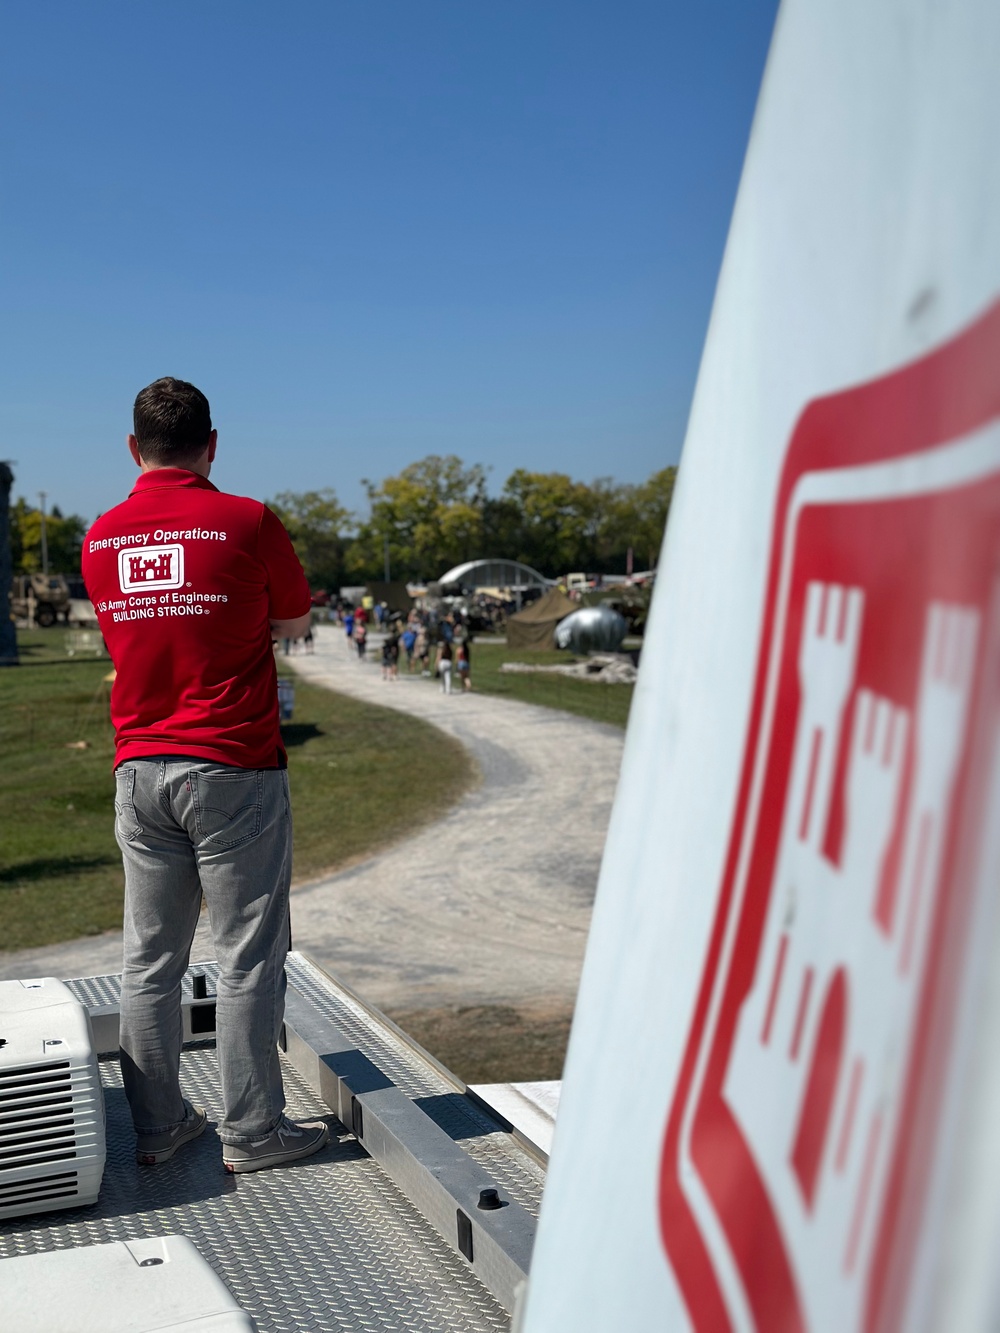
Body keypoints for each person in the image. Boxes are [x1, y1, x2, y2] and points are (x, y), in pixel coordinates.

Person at [81, 377, 329, 1174]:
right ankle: (253, 1133)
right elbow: (293, 622)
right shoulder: (247, 520)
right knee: (247, 955)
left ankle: (159, 1126)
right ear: (212, 443)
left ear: (132, 449)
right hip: (231, 766)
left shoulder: (100, 538)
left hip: (138, 767)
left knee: (149, 958)